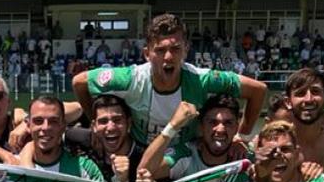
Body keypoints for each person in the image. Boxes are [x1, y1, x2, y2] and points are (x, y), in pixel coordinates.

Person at [75, 13, 265, 146]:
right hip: (140, 152)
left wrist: (242, 134)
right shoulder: (130, 79)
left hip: (185, 156)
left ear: (186, 50)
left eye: (175, 49)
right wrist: (94, 124)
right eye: (160, 50)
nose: (168, 57)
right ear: (147, 54)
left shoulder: (202, 80)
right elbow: (79, 82)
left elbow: (258, 90)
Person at [283, 68, 324, 173]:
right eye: (300, 93)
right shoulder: (276, 143)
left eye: (315, 91)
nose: (309, 99)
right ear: (288, 102)